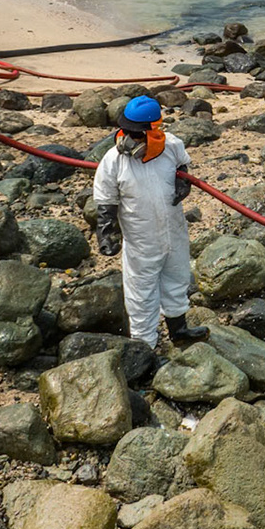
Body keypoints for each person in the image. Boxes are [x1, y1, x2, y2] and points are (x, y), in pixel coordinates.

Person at [93, 96, 204, 346]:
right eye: (127, 132)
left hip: (173, 230)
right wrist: (106, 230)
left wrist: (183, 180)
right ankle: (144, 345)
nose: (130, 139)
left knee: (177, 277)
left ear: (155, 130)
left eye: (137, 134)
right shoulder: (113, 161)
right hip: (141, 239)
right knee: (141, 291)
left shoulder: (172, 147)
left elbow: (183, 164)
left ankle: (179, 330)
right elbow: (105, 199)